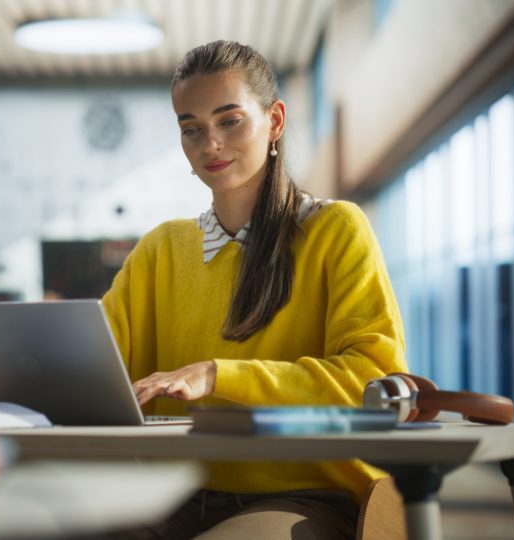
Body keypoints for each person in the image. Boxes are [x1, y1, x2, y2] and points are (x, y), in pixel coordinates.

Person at [101, 40, 407, 539]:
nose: (210, 144)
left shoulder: (335, 229)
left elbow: (372, 382)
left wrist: (218, 375)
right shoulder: (160, 250)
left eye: (229, 121)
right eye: (191, 128)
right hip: (170, 494)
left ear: (275, 122)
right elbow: (99, 369)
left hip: (307, 496)